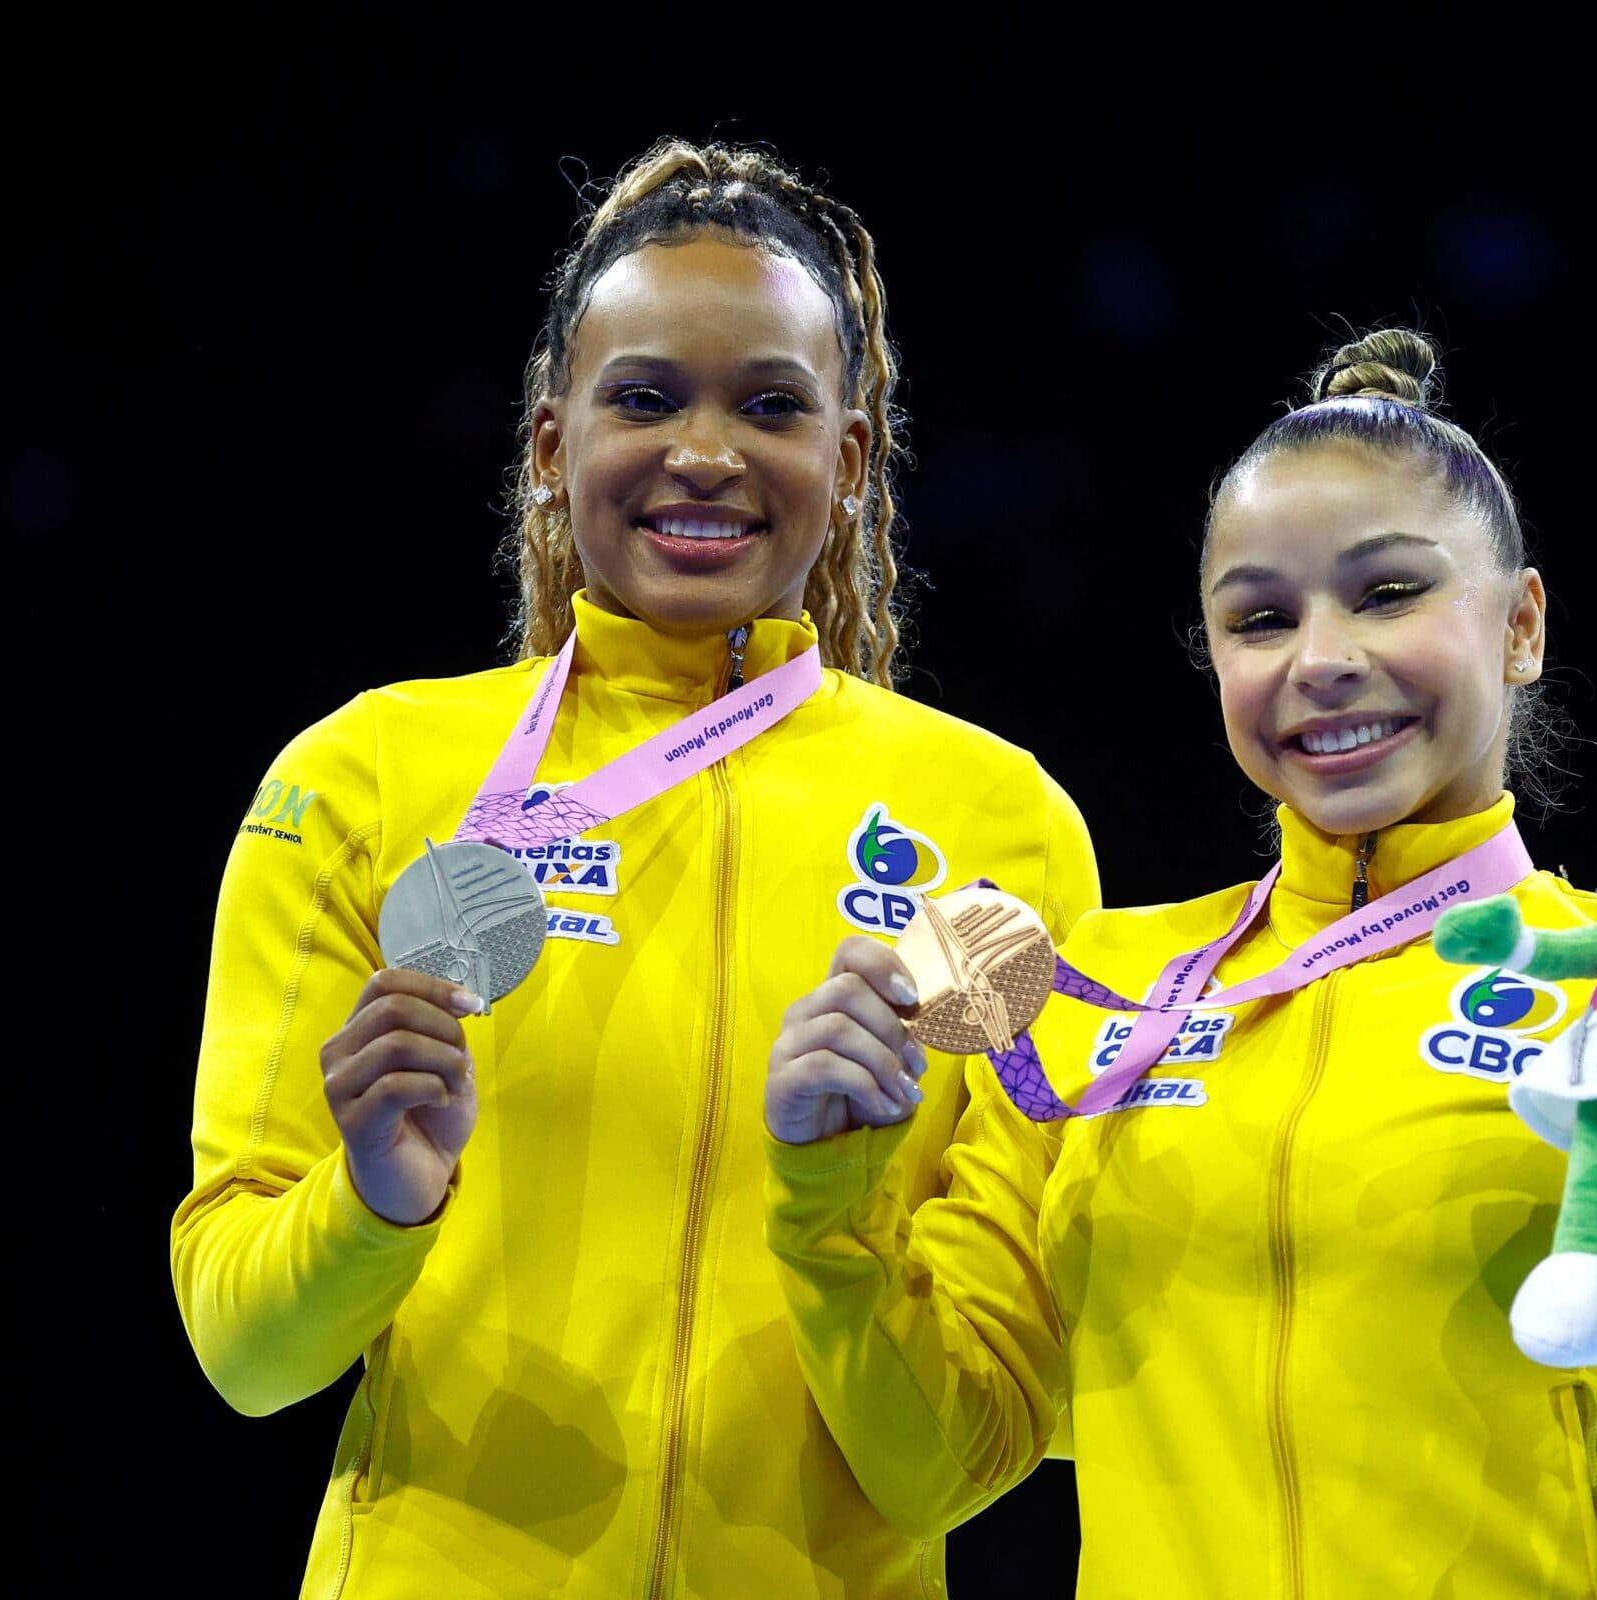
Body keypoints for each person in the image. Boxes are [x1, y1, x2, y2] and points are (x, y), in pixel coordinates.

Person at [763, 330, 1597, 1597]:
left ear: (1522, 624)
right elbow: (943, 1461)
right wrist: (830, 1206)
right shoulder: (1102, 990)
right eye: (1261, 617)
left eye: (1387, 593)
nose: (1319, 658)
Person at [173, 139, 1099, 1599]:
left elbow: (965, 1456)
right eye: (649, 398)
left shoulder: (999, 827)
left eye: (774, 407)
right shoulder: (362, 780)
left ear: (849, 463)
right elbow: (244, 1358)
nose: (709, 453)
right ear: (552, 447)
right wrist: (373, 1209)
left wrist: (835, 1214)